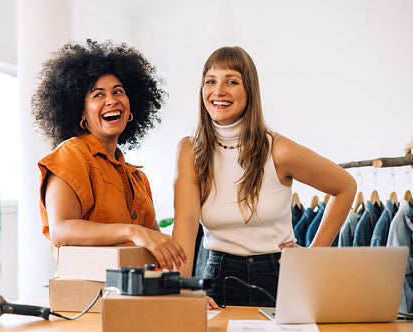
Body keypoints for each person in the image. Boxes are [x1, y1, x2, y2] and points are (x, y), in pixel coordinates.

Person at [172, 46, 356, 308]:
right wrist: (183, 289)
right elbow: (187, 223)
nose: (218, 91)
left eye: (231, 81)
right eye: (210, 81)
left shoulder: (278, 149)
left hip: (277, 276)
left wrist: (313, 255)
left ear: (250, 91)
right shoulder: (191, 150)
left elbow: (345, 186)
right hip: (218, 276)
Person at [31, 40, 186, 270]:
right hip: (88, 298)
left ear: (131, 107)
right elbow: (61, 231)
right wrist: (133, 231)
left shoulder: (137, 178)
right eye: (97, 95)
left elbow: (159, 253)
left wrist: (186, 293)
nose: (111, 100)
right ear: (81, 111)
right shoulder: (70, 155)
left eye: (118, 92)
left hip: (136, 298)